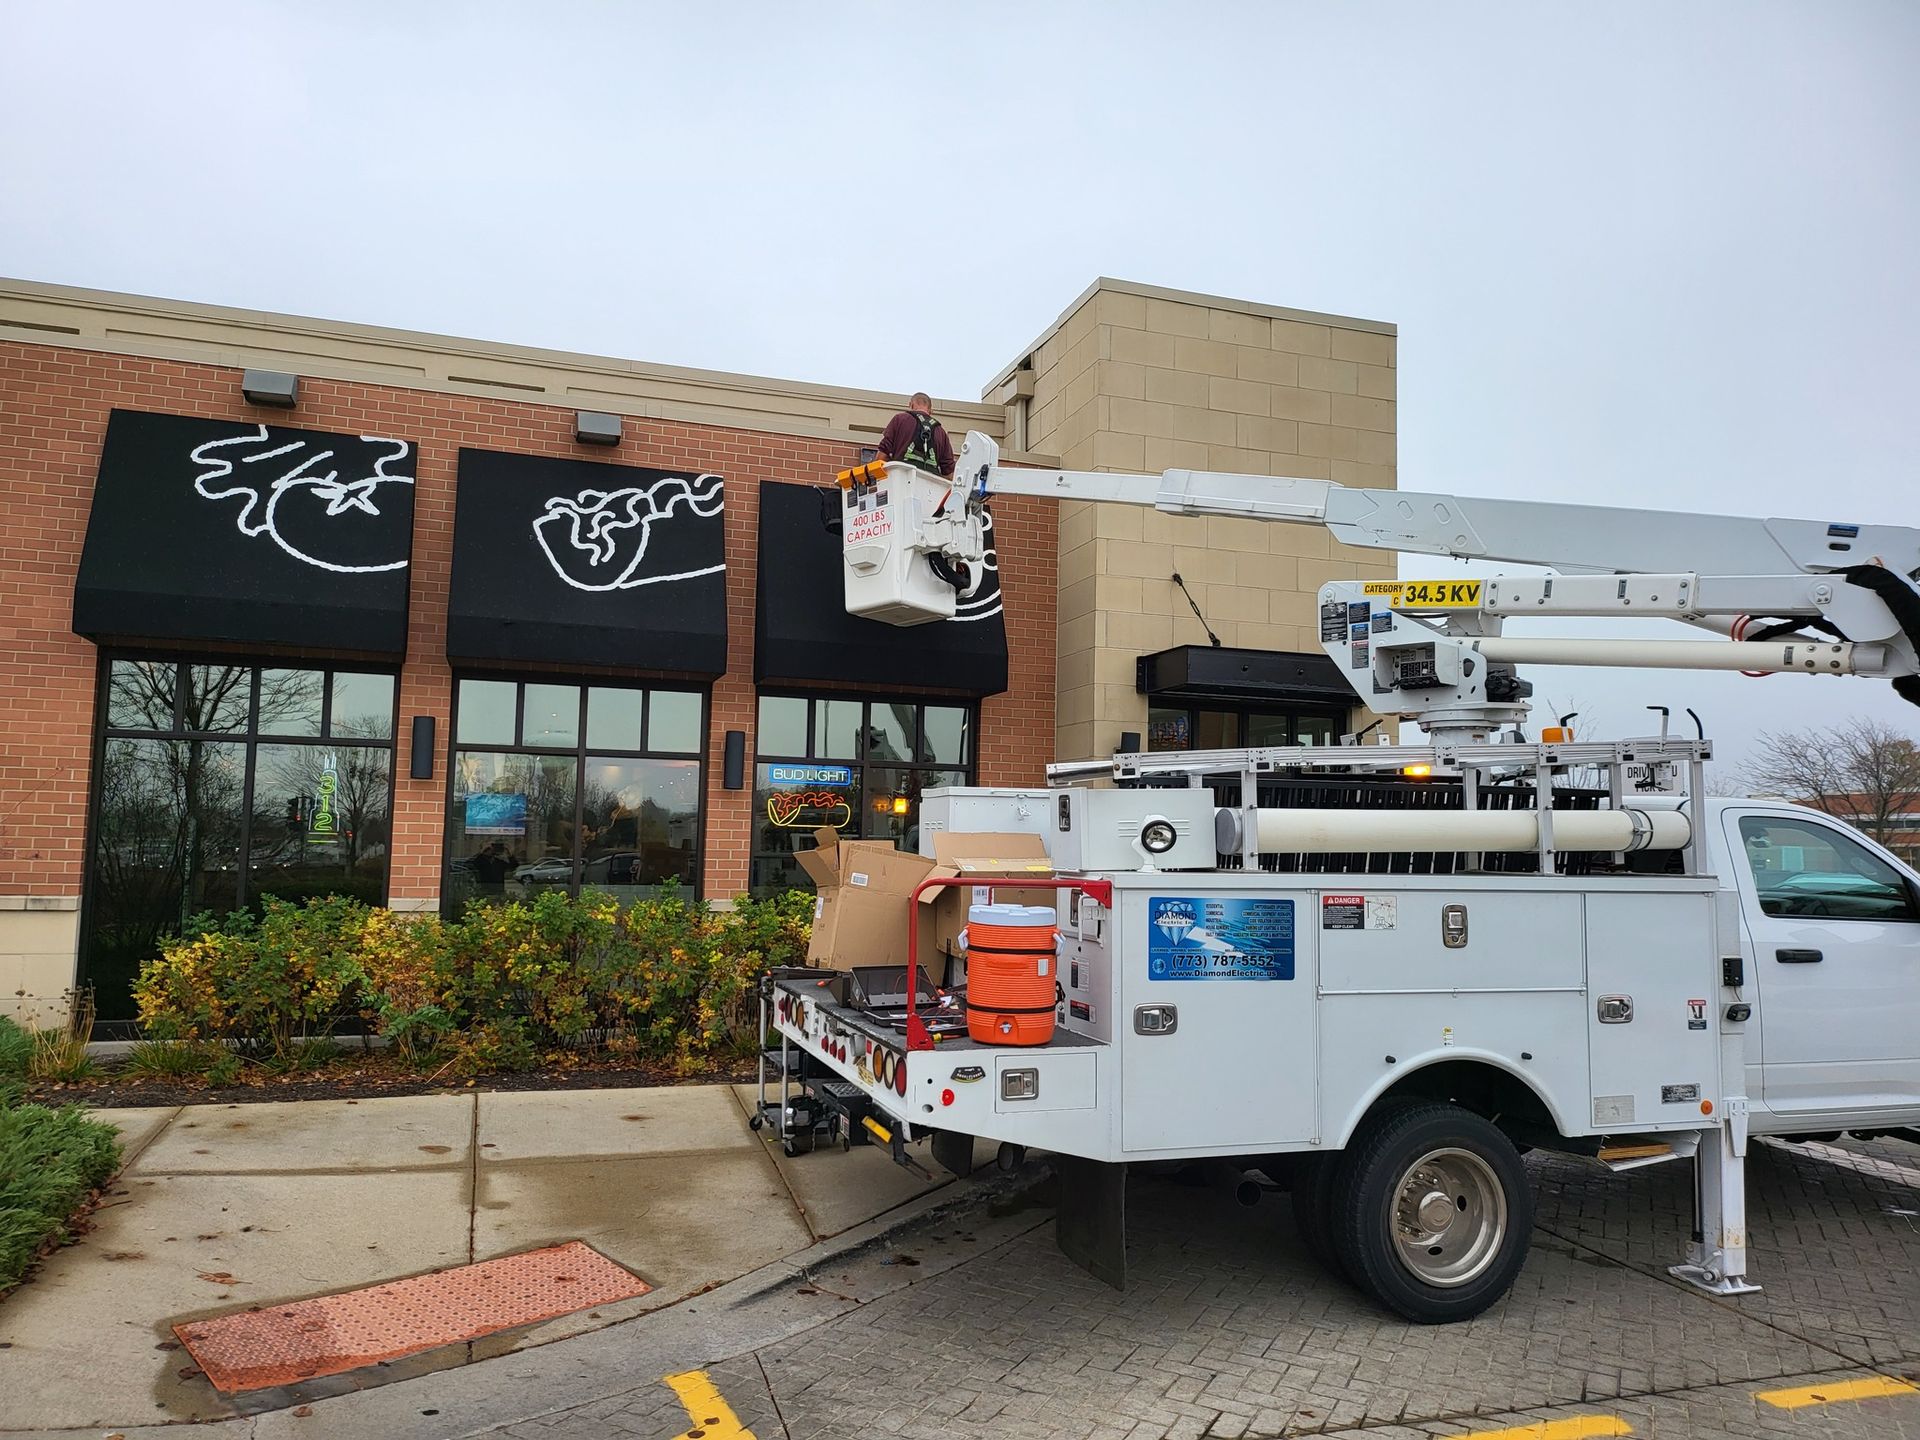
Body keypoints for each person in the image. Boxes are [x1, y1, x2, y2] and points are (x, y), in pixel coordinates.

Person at [875, 392, 955, 477]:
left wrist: (875, 476)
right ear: (930, 411)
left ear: (911, 405)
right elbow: (949, 472)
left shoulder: (900, 419)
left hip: (900, 479)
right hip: (929, 483)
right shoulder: (941, 432)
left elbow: (883, 453)